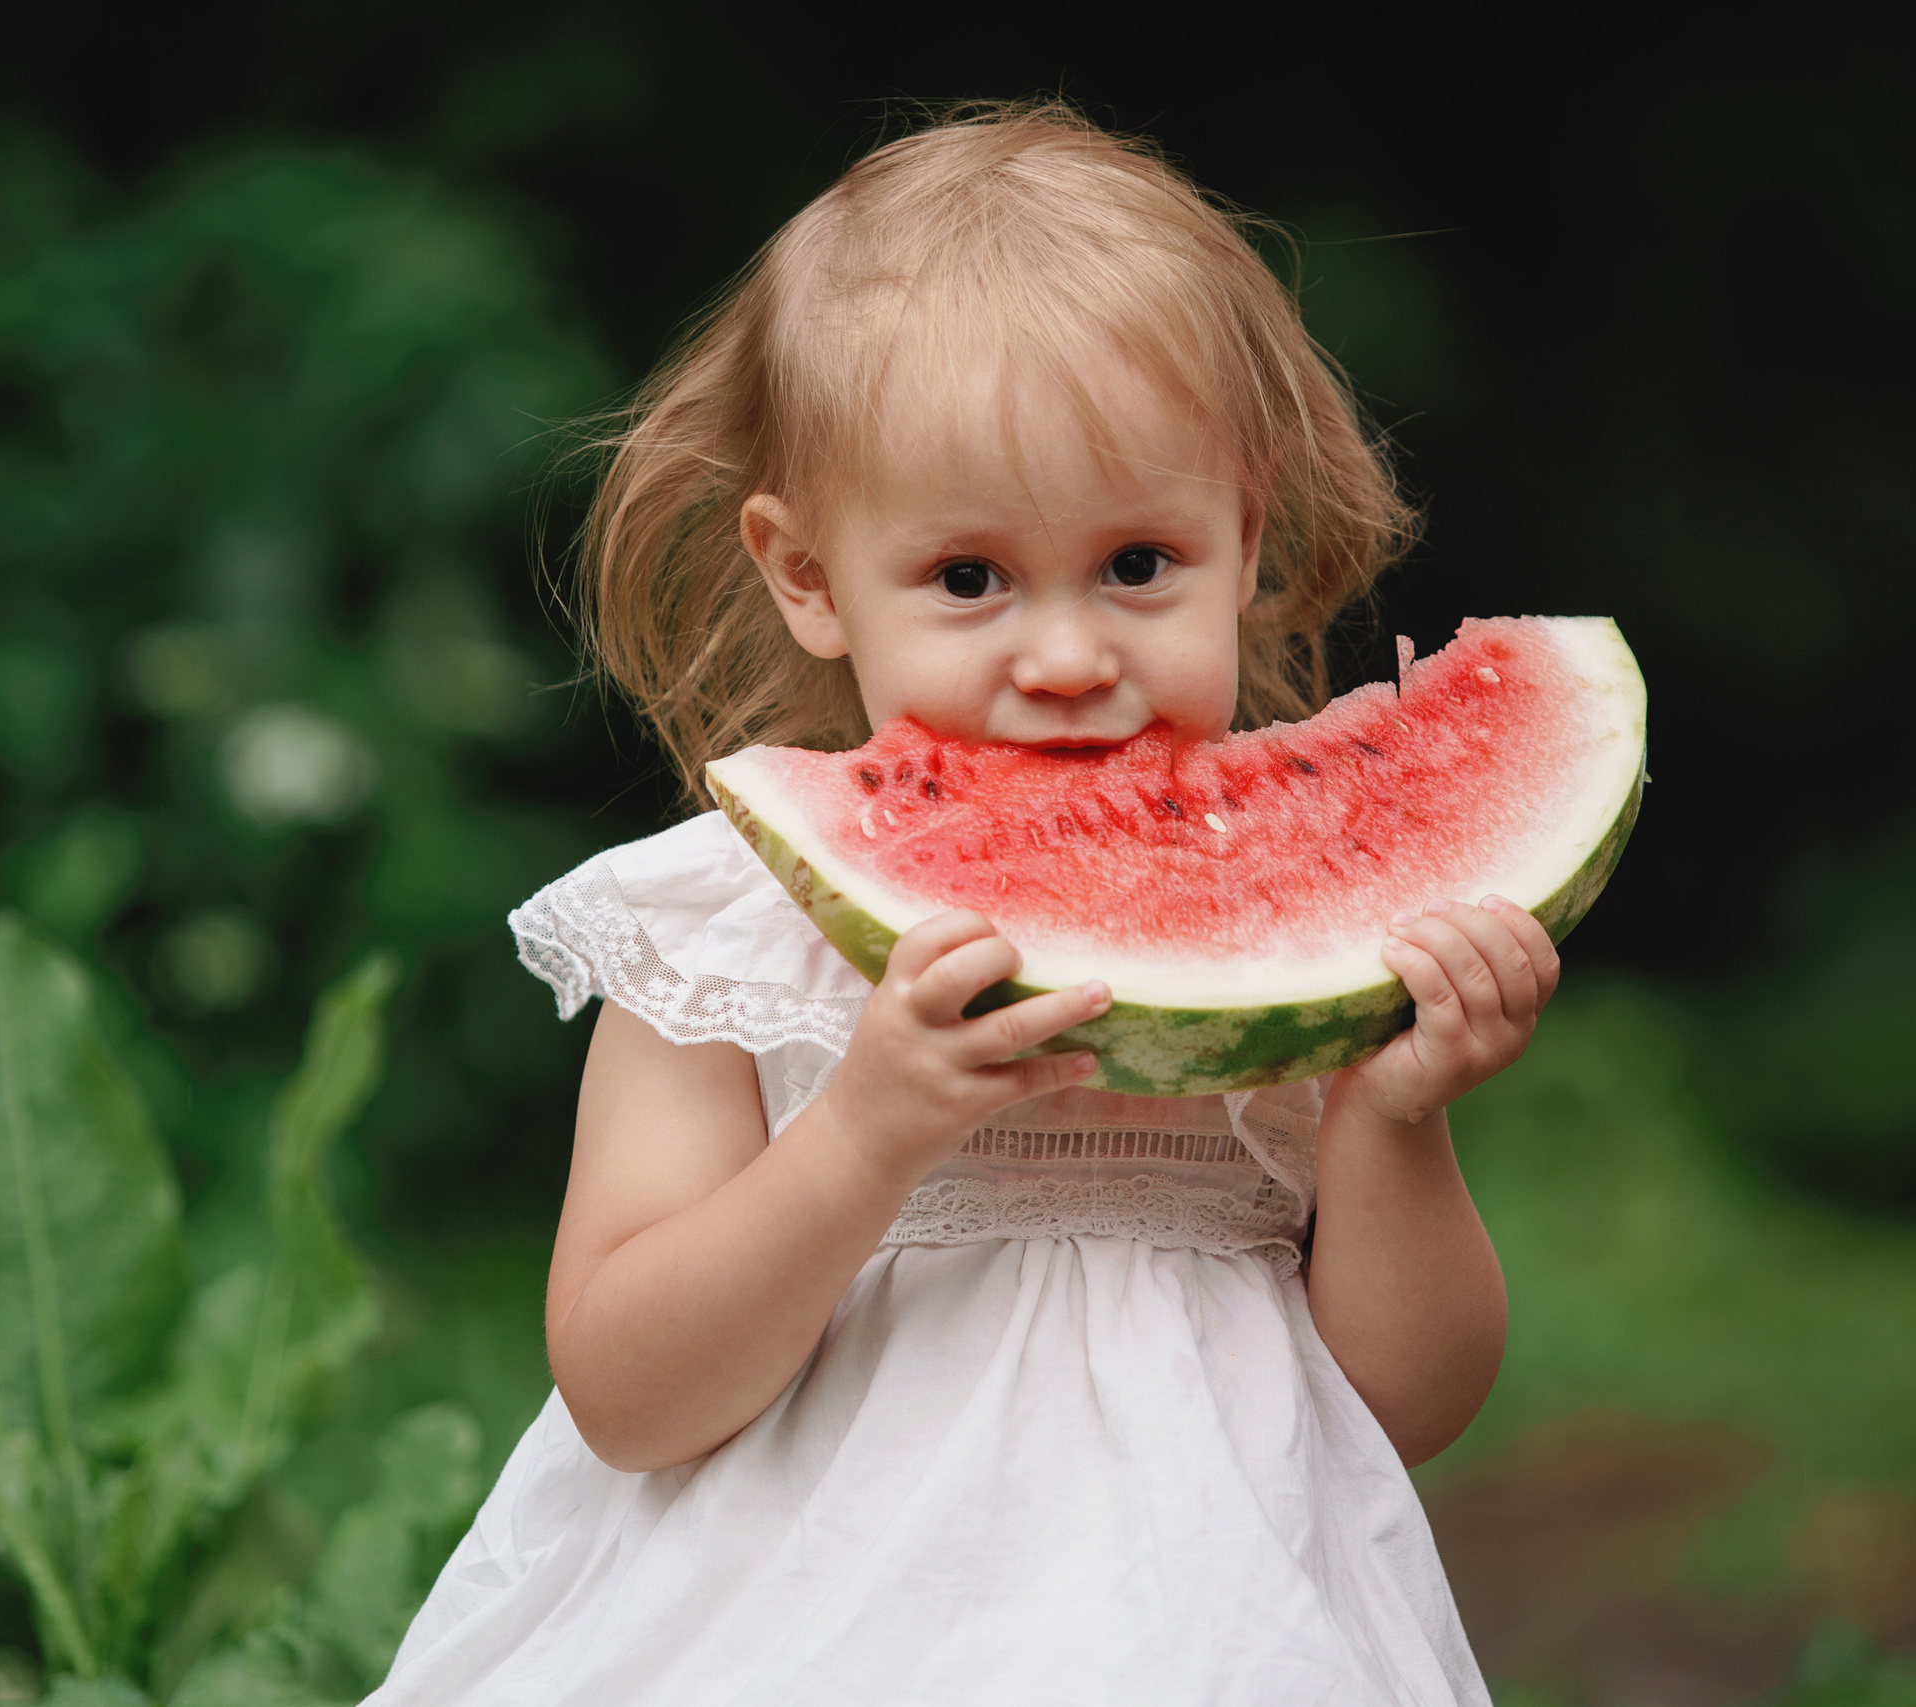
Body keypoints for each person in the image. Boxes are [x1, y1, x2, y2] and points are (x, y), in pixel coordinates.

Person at [369, 100, 1558, 1707]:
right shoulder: (723, 931)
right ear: (808, 577)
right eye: (970, 580)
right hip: (790, 1636)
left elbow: (1403, 1404)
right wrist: (860, 1135)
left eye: (1140, 563)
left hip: (1204, 1637)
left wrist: (1398, 1119)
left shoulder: (1317, 977)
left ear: (1245, 538)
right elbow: (626, 1395)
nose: (1066, 661)